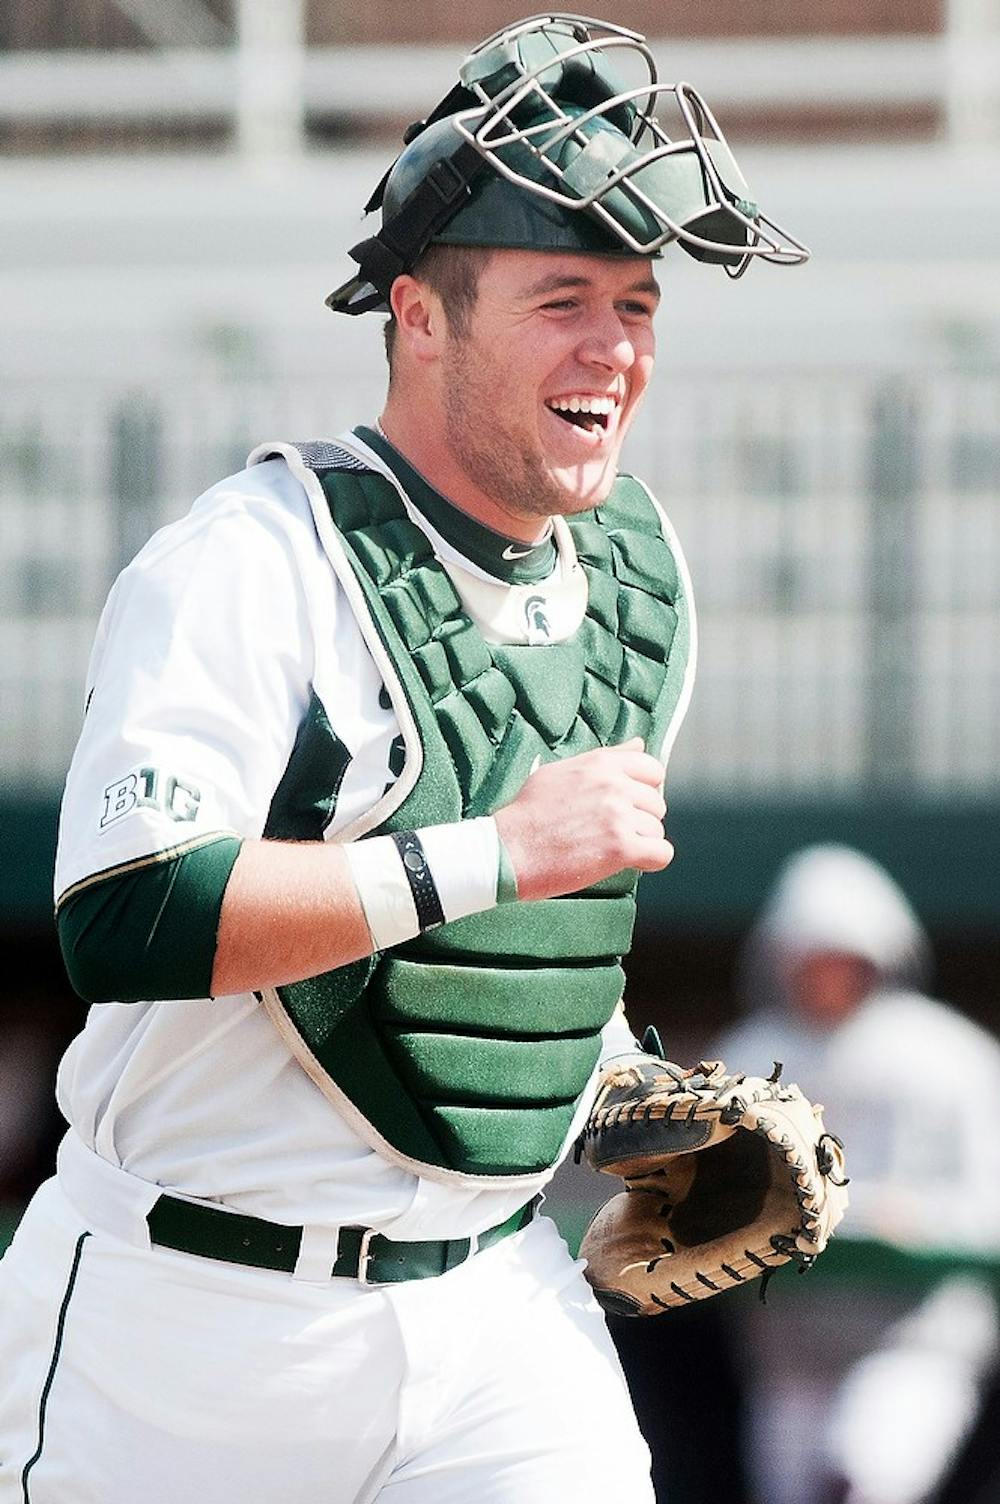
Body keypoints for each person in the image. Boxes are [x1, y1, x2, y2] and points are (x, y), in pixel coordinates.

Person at [0, 16, 807, 1504]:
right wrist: (497, 850)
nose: (613, 349)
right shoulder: (252, 560)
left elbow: (531, 937)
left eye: (637, 304)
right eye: (562, 298)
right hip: (191, 1318)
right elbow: (126, 918)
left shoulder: (633, 571)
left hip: (499, 1311)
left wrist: (618, 1085)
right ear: (420, 319)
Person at [712, 844, 1000, 1504]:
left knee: (860, 1483)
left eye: (846, 957)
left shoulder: (953, 1057)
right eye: (811, 957)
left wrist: (913, 1219)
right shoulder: (745, 1062)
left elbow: (988, 1208)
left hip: (913, 1344)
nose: (827, 974)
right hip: (789, 1359)